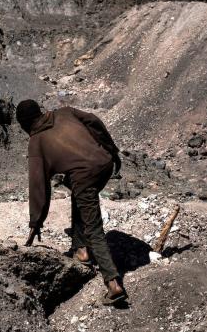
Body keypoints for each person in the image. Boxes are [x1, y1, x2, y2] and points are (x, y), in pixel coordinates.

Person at [16, 99, 127, 305]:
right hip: (105, 162)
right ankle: (81, 250)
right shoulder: (65, 112)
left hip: (85, 176)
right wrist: (112, 150)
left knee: (93, 226)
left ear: (24, 124)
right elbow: (94, 121)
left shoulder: (36, 142)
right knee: (80, 194)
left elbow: (38, 186)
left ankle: (113, 284)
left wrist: (36, 222)